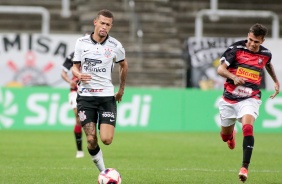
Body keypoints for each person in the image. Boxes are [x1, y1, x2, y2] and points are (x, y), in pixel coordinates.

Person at [217, 23, 280, 183]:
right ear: (248, 35)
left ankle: (244, 167)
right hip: (229, 99)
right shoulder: (236, 49)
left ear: (262, 41)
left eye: (256, 42)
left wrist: (276, 81)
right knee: (224, 137)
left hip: (250, 98)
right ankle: (231, 137)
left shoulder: (266, 53)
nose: (252, 44)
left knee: (248, 127)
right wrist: (234, 77)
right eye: (250, 40)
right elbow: (220, 69)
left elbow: (267, 63)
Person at [72, 9, 128, 172]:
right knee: (90, 139)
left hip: (106, 98)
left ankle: (104, 172)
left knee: (107, 139)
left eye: (108, 25)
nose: (104, 27)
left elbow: (124, 65)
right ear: (95, 23)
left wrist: (121, 90)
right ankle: (104, 172)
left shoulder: (115, 46)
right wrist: (79, 74)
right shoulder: (81, 42)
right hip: (86, 98)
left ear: (111, 26)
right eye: (102, 23)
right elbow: (74, 66)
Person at [61, 52, 84, 158]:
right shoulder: (74, 55)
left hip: (92, 89)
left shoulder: (97, 53)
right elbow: (63, 73)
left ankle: (92, 143)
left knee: (90, 120)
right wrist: (70, 81)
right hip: (75, 90)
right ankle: (79, 150)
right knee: (79, 117)